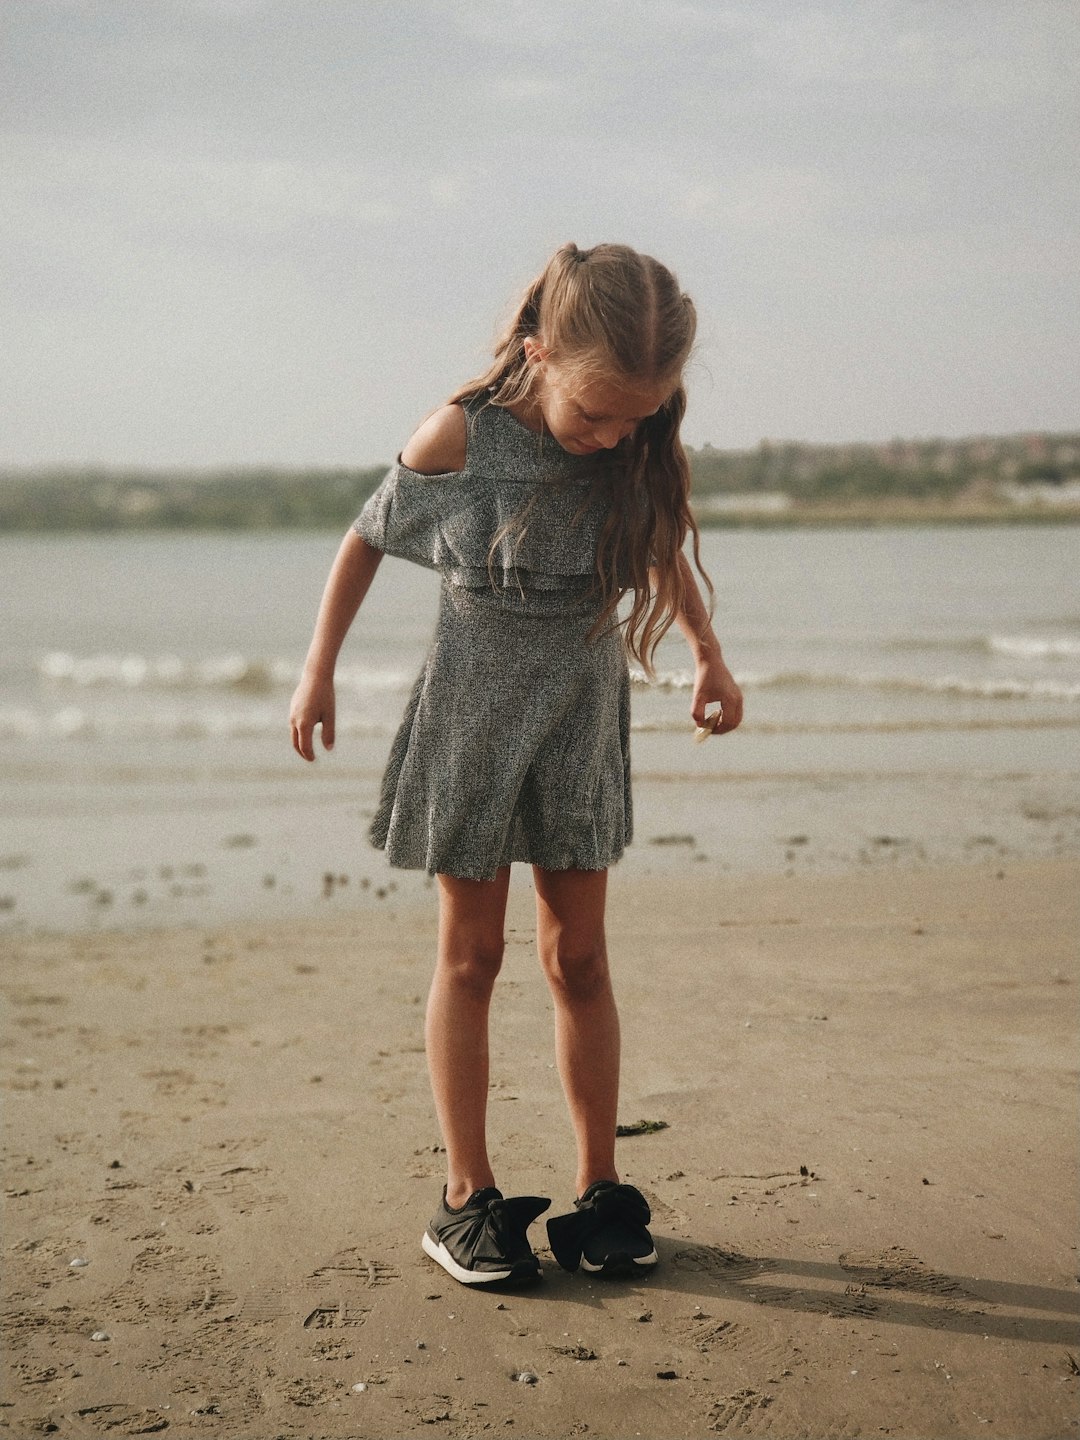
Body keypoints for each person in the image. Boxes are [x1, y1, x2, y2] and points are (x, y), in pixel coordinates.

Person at [289, 242, 743, 1286]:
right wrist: (318, 671)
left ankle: (599, 1192)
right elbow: (364, 538)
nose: (613, 433)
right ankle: (466, 1197)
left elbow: (664, 545)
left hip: (579, 725)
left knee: (578, 959)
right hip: (472, 726)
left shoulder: (633, 443)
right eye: (596, 413)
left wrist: (710, 656)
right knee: (472, 957)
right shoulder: (463, 434)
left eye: (637, 415)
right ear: (539, 354)